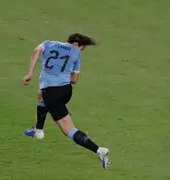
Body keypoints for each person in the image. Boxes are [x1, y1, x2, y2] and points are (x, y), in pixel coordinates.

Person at [22, 33, 110, 169]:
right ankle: (38, 129)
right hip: (65, 91)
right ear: (80, 45)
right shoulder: (76, 52)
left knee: (68, 130)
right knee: (41, 96)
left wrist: (29, 74)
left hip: (51, 92)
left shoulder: (48, 43)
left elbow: (35, 51)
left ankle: (100, 150)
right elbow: (75, 79)